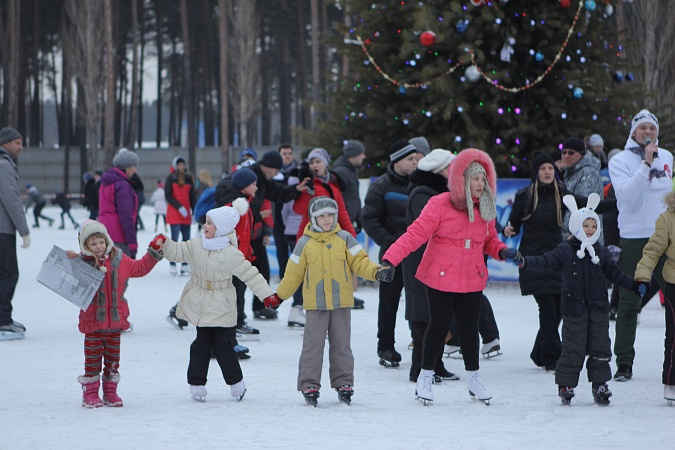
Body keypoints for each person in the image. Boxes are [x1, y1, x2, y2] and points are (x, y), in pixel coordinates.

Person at [380, 148, 519, 405]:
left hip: (472, 276)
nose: (480, 184)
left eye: (483, 179)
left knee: (469, 330)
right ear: (461, 180)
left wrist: (505, 252)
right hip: (441, 275)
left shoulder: (485, 209)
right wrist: (390, 259)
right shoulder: (440, 204)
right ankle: (425, 376)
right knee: (438, 327)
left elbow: (490, 241)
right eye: (475, 179)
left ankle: (474, 378)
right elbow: (415, 234)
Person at [518, 194, 646, 405]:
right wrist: (526, 262)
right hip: (574, 308)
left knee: (600, 346)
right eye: (585, 225)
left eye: (593, 225)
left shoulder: (601, 252)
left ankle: (600, 384)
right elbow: (545, 261)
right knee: (572, 347)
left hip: (598, 308)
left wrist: (634, 285)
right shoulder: (566, 250)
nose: (589, 229)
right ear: (576, 226)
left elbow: (616, 274)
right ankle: (566, 385)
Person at [265, 196, 391, 406]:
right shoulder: (304, 243)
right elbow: (292, 274)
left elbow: (361, 262)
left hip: (341, 302)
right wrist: (279, 296)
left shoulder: (345, 238)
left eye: (330, 215)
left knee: (341, 345)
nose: (326, 219)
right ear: (313, 218)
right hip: (316, 304)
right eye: (321, 216)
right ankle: (309, 384)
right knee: (312, 346)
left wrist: (378, 272)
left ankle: (344, 383)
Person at [152, 205, 277, 403]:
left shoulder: (231, 253)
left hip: (222, 303)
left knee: (223, 346)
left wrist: (267, 296)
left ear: (221, 229)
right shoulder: (195, 245)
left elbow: (250, 274)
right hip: (201, 301)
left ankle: (237, 384)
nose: (205, 226)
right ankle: (196, 384)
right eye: (206, 222)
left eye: (210, 223)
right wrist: (164, 244)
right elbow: (177, 251)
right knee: (200, 345)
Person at [66, 220, 163, 407]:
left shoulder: (119, 258)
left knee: (112, 361)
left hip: (115, 323)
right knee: (92, 361)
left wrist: (153, 253)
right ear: (85, 246)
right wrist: (70, 259)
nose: (99, 247)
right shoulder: (82, 262)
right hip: (93, 323)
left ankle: (110, 393)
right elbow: (67, 280)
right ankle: (90, 394)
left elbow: (139, 268)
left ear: (107, 240)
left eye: (101, 242)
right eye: (93, 244)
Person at [609, 109, 673, 382]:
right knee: (629, 302)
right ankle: (624, 362)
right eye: (643, 128)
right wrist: (646, 165)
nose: (648, 133)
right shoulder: (620, 160)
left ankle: (671, 368)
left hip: (666, 236)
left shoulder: (668, 156)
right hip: (635, 237)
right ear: (634, 133)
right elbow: (625, 195)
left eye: (652, 128)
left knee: (672, 302)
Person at [215, 150, 310, 322]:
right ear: (267, 166)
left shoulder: (263, 180)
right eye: (275, 170)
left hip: (251, 236)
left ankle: (259, 308)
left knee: (261, 271)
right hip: (233, 240)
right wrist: (257, 217)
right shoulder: (245, 178)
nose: (277, 173)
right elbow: (229, 206)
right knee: (227, 280)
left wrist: (296, 189)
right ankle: (234, 318)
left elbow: (279, 192)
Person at [403, 149, 460, 383]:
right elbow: (427, 226)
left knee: (437, 313)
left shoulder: (438, 192)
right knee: (422, 315)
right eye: (450, 169)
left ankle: (435, 364)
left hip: (436, 260)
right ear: (439, 171)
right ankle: (419, 368)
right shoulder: (423, 193)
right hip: (420, 262)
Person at [361, 139, 418, 367]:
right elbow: (368, 218)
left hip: (417, 255)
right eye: (410, 159)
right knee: (389, 303)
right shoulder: (381, 187)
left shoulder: (419, 185)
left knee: (418, 301)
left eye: (416, 158)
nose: (415, 162)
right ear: (397, 162)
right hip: (392, 256)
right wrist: (392, 243)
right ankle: (385, 347)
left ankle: (421, 342)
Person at [634, 184, 675, 404]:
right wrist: (643, 272)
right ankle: (672, 381)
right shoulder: (667, 219)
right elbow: (653, 249)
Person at [0, 127, 30, 341]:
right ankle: (3, 320)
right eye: (17, 143)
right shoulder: (4, 165)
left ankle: (4, 317)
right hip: (2, 230)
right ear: (5, 144)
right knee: (9, 273)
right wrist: (24, 231)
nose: (21, 147)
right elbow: (11, 199)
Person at [333, 139, 368, 310]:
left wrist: (358, 218)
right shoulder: (342, 172)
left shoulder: (348, 170)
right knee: (342, 261)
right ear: (354, 154)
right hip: (342, 225)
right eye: (361, 153)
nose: (364, 156)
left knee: (346, 260)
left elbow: (354, 198)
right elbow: (342, 201)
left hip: (349, 223)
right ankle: (342, 295)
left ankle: (346, 294)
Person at [98, 148, 140, 258]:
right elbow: (126, 216)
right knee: (119, 273)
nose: (135, 170)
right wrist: (132, 243)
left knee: (107, 272)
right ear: (127, 167)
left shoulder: (106, 182)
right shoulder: (123, 185)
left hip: (104, 232)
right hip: (119, 236)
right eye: (134, 167)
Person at [560, 137, 603, 242]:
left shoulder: (588, 173)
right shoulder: (570, 173)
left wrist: (574, 233)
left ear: (581, 154)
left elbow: (583, 209)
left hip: (585, 238)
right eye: (564, 152)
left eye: (571, 153)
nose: (566, 156)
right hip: (573, 237)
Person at [165, 156, 196, 276]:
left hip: (186, 214)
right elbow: (168, 195)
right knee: (175, 239)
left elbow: (192, 196)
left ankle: (184, 264)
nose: (182, 167)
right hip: (175, 212)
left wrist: (194, 212)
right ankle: (172, 263)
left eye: (183, 165)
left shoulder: (189, 178)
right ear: (175, 166)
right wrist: (179, 207)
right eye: (179, 165)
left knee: (186, 240)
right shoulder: (171, 178)